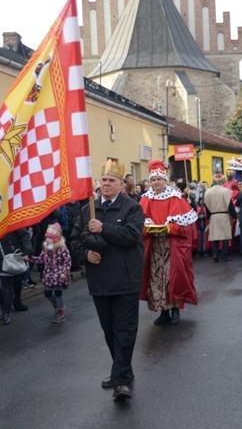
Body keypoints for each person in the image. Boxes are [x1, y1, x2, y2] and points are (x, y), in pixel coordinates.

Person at [71, 159, 144, 400]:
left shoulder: (132, 207)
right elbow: (75, 241)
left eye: (112, 180)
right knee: (109, 331)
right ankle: (123, 370)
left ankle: (120, 381)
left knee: (125, 330)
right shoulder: (87, 209)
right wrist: (85, 254)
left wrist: (104, 228)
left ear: (121, 185)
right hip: (100, 281)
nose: (106, 184)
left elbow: (132, 236)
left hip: (125, 280)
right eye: (103, 180)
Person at [140, 160, 198, 325]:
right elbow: (138, 224)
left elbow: (185, 227)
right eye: (153, 180)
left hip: (172, 246)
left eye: (159, 179)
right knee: (156, 279)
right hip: (154, 248)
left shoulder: (176, 198)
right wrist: (148, 229)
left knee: (172, 278)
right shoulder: (145, 199)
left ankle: (175, 310)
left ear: (165, 180)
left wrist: (169, 228)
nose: (156, 182)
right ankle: (163, 311)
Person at [0, 229, 33, 325]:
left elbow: (24, 235)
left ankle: (7, 311)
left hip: (8, 256)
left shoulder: (12, 217)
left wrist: (27, 251)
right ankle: (4, 305)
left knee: (6, 283)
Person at [31, 223, 71, 323]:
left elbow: (67, 261)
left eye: (50, 238)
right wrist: (30, 259)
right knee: (47, 293)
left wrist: (64, 273)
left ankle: (60, 312)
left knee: (58, 293)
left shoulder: (62, 248)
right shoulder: (46, 249)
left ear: (56, 238)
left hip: (59, 275)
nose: (47, 240)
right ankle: (58, 306)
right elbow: (40, 259)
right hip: (49, 275)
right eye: (47, 238)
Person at [204, 173, 235, 262]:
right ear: (222, 181)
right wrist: (234, 215)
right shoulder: (225, 191)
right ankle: (224, 256)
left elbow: (207, 206)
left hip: (213, 215)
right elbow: (229, 205)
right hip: (223, 215)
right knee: (225, 236)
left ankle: (215, 254)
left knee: (215, 236)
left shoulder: (208, 192)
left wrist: (209, 217)